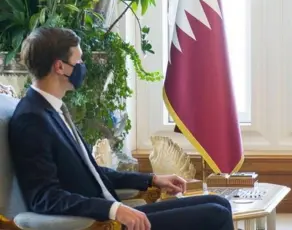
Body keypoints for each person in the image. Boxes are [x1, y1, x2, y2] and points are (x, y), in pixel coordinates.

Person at [8, 27, 234, 230]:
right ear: (60, 67)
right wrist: (113, 210)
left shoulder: (53, 110)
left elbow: (93, 172)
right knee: (215, 214)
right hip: (99, 222)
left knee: (219, 202)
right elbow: (45, 197)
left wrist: (151, 180)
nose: (83, 68)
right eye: (79, 62)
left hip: (114, 212)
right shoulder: (32, 118)